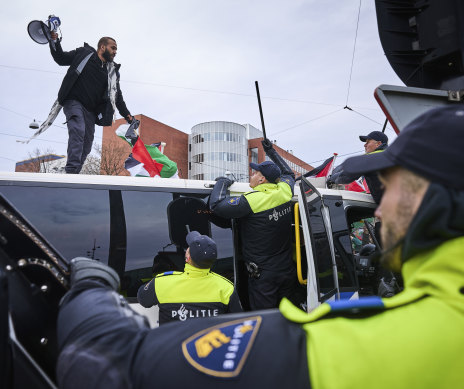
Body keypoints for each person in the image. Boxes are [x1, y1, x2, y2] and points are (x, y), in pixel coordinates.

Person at [55, 104, 464, 388]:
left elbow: (110, 368)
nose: (378, 209)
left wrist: (90, 286)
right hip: (279, 275)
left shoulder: (368, 344)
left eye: (388, 188)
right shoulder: (284, 195)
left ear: (437, 200)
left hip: (263, 277)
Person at [208, 139, 300, 310]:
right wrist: (271, 151)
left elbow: (215, 206)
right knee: (287, 315)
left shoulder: (251, 201)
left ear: (262, 180)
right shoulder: (285, 191)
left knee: (264, 320)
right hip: (286, 272)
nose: (252, 175)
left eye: (255, 173)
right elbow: (289, 174)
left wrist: (223, 182)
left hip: (264, 278)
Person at [49, 33, 134, 174]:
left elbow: (117, 96)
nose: (115, 52)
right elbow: (61, 58)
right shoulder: (84, 54)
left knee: (87, 144)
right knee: (78, 130)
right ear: (102, 47)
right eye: (113, 48)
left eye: (116, 49)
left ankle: (74, 173)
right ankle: (70, 171)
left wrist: (127, 115)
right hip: (73, 102)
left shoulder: (111, 72)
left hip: (90, 112)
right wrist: (54, 41)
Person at [137, 231, 240, 325]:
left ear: (187, 257)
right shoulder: (226, 288)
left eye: (189, 248)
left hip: (173, 345)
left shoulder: (161, 283)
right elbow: (238, 322)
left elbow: (143, 299)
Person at [330, 130, 388, 204]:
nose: (365, 145)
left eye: (368, 142)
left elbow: (346, 176)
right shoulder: (392, 157)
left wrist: (331, 179)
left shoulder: (370, 159)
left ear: (378, 144)